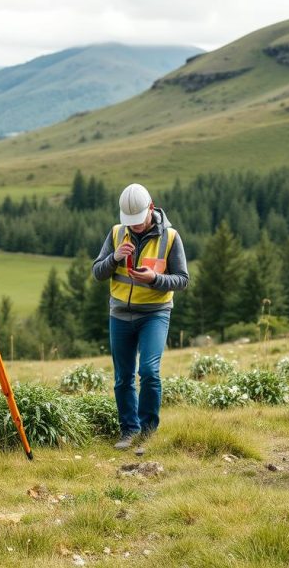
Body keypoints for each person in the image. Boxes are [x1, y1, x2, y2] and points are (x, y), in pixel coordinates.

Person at [92, 183, 189, 455]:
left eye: (138, 221)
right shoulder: (115, 233)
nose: (134, 227)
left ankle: (147, 433)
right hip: (120, 314)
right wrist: (113, 258)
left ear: (151, 208)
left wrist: (155, 279)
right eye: (130, 223)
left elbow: (182, 280)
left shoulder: (170, 237)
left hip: (155, 314)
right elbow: (97, 272)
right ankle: (129, 430)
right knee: (123, 377)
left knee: (148, 371)